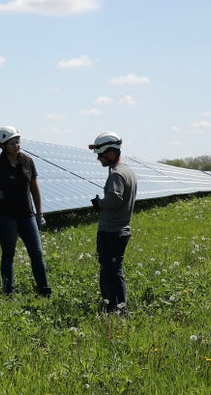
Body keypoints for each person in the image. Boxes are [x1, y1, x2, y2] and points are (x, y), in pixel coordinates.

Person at [0, 126, 51, 297]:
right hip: (6, 215)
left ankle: (44, 291)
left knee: (36, 253)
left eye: (18, 141)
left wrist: (39, 213)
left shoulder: (27, 161)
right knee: (9, 255)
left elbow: (35, 189)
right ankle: (9, 294)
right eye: (12, 142)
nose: (17, 145)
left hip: (27, 214)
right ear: (3, 145)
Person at [88, 131, 137, 314]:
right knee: (111, 270)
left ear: (110, 153)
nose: (99, 159)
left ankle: (117, 309)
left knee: (111, 273)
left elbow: (115, 199)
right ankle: (112, 306)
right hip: (119, 230)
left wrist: (99, 203)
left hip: (112, 232)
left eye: (100, 155)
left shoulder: (117, 174)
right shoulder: (128, 171)